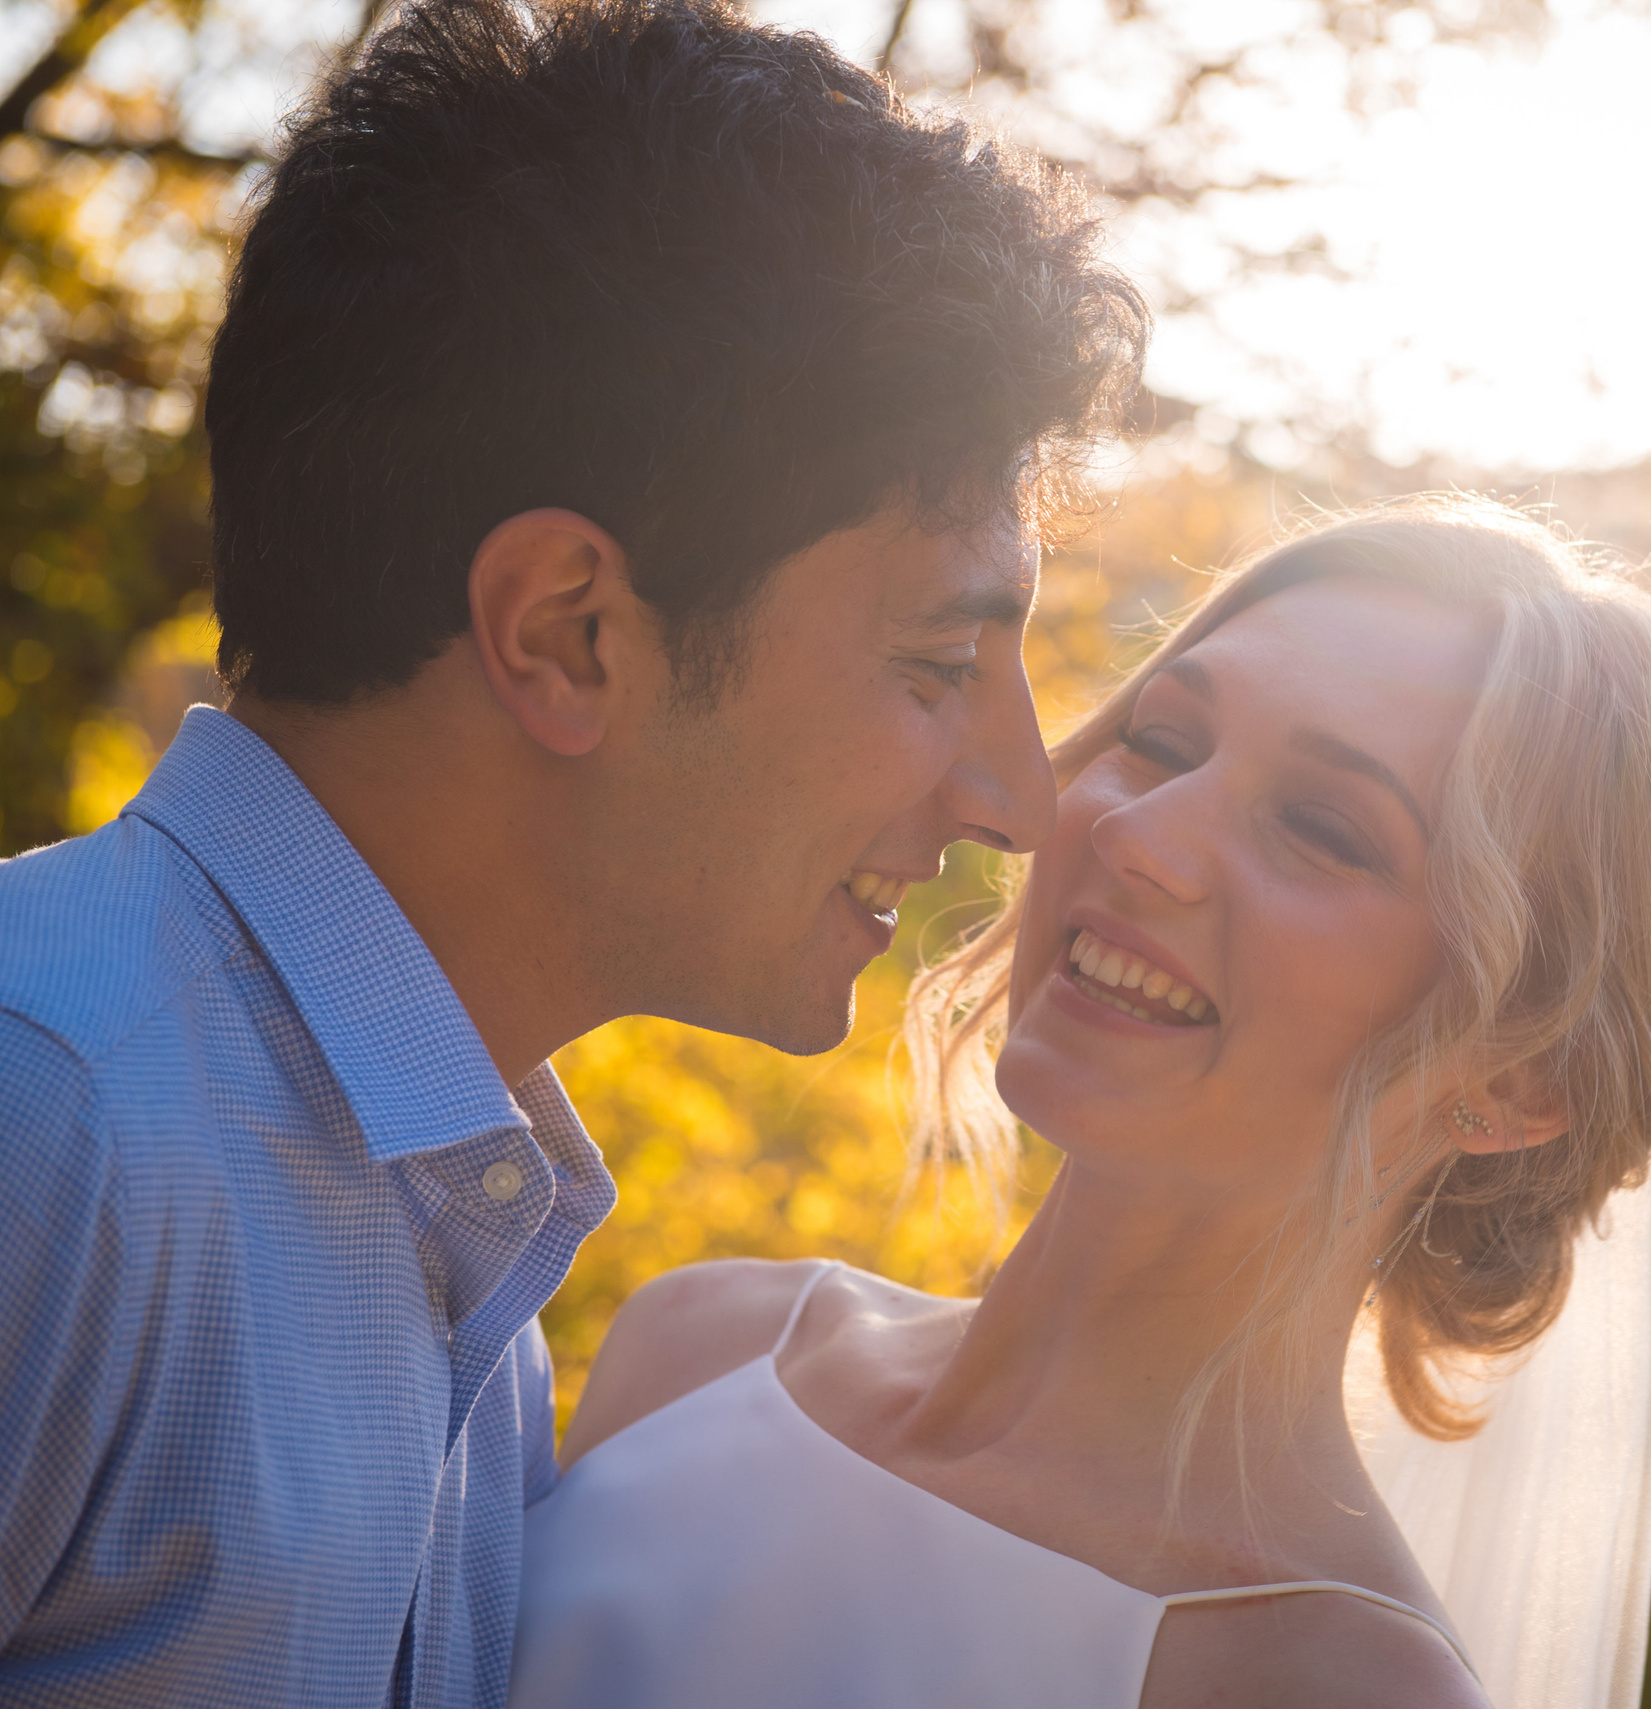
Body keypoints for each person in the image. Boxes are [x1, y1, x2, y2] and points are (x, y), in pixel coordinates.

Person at [0, 0, 1144, 1702]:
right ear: (568, 631)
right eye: (931, 665)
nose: (1020, 798)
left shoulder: (471, 1270)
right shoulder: (53, 1118)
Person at [511, 496, 1651, 1709]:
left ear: (1522, 1076)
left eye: (1324, 827)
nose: (1139, 834)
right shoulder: (702, 1345)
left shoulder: (1324, 1681)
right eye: (1164, 740)